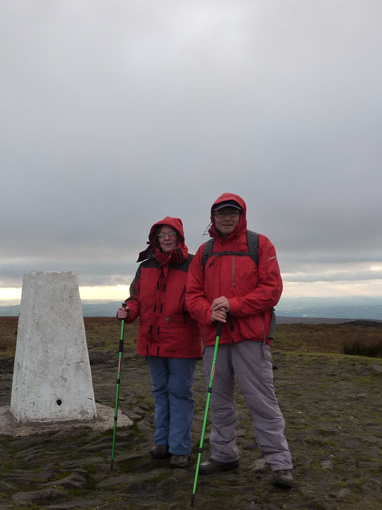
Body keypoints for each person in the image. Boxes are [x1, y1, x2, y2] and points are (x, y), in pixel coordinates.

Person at [185, 193, 295, 488]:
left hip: (250, 337)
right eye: (221, 213)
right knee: (218, 401)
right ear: (213, 217)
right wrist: (209, 312)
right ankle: (223, 455)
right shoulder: (204, 252)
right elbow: (191, 295)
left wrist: (233, 305)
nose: (227, 218)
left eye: (232, 213)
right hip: (214, 337)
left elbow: (272, 290)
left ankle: (280, 463)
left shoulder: (260, 244)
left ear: (241, 215)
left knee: (262, 401)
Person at [117, 216, 202, 469]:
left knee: (179, 393)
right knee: (160, 392)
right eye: (161, 234)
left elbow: (199, 297)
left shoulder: (193, 264)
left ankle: (180, 448)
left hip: (182, 341)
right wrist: (128, 312)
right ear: (155, 239)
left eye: (170, 234)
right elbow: (135, 299)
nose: (166, 238)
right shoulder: (145, 267)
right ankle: (162, 443)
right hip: (152, 341)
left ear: (179, 237)